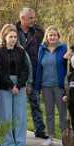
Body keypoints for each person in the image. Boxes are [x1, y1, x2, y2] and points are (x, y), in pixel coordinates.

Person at [0, 24, 30, 146]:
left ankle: (19, 143)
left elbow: (26, 69)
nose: (13, 39)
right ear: (5, 37)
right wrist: (10, 85)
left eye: (15, 37)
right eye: (11, 37)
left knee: (20, 115)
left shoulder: (21, 51)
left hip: (20, 86)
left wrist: (18, 85)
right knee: (6, 116)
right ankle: (7, 143)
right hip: (5, 86)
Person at [15, 8, 48, 139]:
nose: (34, 20)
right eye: (31, 18)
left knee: (35, 102)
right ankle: (16, 131)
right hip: (17, 72)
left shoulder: (39, 32)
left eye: (34, 18)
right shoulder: (12, 30)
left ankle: (40, 129)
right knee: (18, 105)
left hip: (34, 71)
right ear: (22, 18)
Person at [35, 26, 68, 146]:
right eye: (50, 35)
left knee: (62, 113)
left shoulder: (64, 48)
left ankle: (65, 138)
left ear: (58, 37)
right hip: (46, 86)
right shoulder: (42, 49)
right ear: (47, 37)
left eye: (55, 35)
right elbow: (39, 68)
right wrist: (37, 87)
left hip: (59, 86)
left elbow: (67, 66)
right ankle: (50, 137)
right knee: (49, 113)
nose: (52, 37)